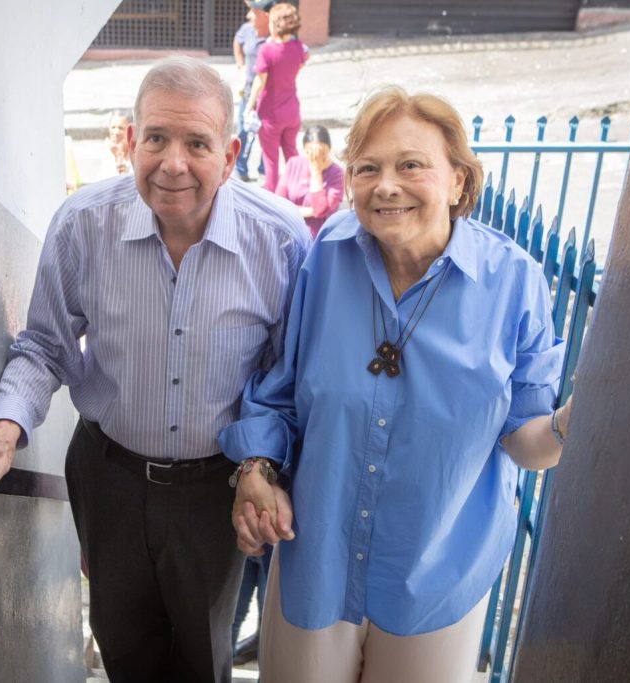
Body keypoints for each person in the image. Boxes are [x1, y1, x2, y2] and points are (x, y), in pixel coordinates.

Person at [0, 57, 310, 683]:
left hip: (218, 491)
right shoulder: (82, 224)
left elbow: (285, 379)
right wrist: (5, 428)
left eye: (197, 143)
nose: (173, 162)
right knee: (123, 649)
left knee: (204, 658)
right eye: (156, 138)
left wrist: (263, 468)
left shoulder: (279, 241)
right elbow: (44, 346)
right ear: (129, 141)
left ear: (228, 154)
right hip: (109, 478)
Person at [219, 86, 575, 683]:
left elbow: (528, 443)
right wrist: (255, 469)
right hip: (316, 558)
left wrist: (576, 421)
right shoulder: (325, 257)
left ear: (459, 181)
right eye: (367, 168)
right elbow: (279, 393)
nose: (386, 185)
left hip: (438, 575)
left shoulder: (515, 283)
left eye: (411, 165)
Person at [244, 2, 308, 193]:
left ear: (275, 24)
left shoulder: (267, 50)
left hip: (270, 113)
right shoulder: (298, 48)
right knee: (291, 154)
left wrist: (248, 106)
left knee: (270, 159)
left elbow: (259, 81)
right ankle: (296, 192)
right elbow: (305, 58)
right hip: (291, 110)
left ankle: (272, 197)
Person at [275, 125, 344, 238]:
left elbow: (320, 208)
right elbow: (279, 204)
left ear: (329, 149)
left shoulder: (337, 174)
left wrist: (316, 172)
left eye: (321, 153)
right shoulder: (293, 164)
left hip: (318, 237)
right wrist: (311, 212)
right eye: (311, 153)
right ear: (304, 150)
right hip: (290, 232)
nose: (316, 157)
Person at [232, 0, 273, 182]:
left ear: (265, 15)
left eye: (253, 11)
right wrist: (240, 64)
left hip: (269, 92)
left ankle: (265, 172)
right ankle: (240, 170)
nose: (248, 15)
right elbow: (237, 43)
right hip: (249, 89)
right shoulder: (247, 29)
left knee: (266, 132)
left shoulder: (276, 36)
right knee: (242, 129)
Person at [105, 110, 131, 176]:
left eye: (121, 128)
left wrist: (119, 158)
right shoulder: (106, 151)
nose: (116, 132)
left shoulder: (136, 156)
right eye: (113, 127)